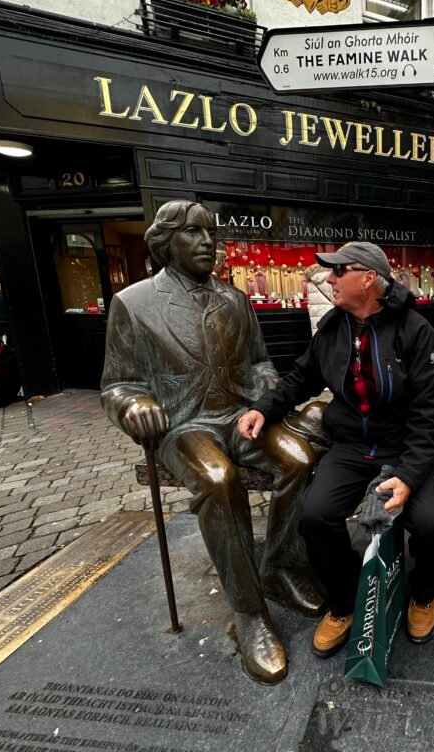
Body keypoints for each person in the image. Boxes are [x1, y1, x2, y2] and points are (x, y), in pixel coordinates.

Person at [101, 200, 325, 685]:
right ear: (166, 243)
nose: (207, 242)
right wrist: (134, 405)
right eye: (193, 233)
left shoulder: (234, 299)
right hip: (183, 426)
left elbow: (259, 362)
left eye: (211, 233)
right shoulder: (133, 303)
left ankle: (279, 565)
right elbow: (116, 384)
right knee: (219, 479)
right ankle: (249, 611)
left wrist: (265, 392)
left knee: (299, 457)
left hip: (240, 417)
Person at [239, 241, 434, 659]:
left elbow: (430, 413)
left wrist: (409, 476)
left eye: (340, 271)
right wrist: (262, 409)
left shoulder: (414, 330)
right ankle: (345, 598)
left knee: (433, 522)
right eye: (331, 271)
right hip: (353, 446)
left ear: (369, 279)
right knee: (315, 516)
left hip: (408, 446)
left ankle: (425, 591)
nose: (330, 278)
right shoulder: (333, 329)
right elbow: (299, 379)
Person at [304, 263, 334, 335]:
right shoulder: (330, 277)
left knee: (318, 334)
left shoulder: (310, 281)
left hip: (315, 312)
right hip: (330, 312)